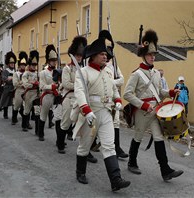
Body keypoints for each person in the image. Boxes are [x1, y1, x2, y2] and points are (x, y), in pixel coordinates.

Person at [123, 29, 183, 181]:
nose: (152, 57)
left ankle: (165, 170)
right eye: (150, 54)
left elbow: (159, 91)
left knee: (159, 138)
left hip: (155, 109)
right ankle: (132, 161)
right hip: (142, 111)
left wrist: (170, 92)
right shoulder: (136, 74)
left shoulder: (156, 73)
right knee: (138, 137)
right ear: (144, 55)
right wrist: (143, 105)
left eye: (154, 55)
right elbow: (127, 94)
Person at [73, 37, 130, 191]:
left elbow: (113, 90)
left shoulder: (108, 72)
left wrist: (118, 100)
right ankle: (80, 172)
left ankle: (115, 180)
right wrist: (86, 110)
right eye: (102, 54)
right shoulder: (83, 72)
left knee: (109, 146)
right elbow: (79, 92)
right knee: (84, 146)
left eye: (106, 54)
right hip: (90, 112)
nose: (105, 56)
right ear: (93, 56)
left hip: (105, 112)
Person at [98, 30, 128, 158]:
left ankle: (117, 148)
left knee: (116, 122)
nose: (107, 57)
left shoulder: (114, 65)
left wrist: (111, 82)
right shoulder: (98, 65)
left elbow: (121, 80)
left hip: (112, 98)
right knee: (96, 124)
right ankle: (90, 145)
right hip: (99, 99)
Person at [38, 45, 59, 141]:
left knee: (58, 117)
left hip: (56, 96)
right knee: (43, 115)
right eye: (52, 60)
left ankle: (59, 139)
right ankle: (40, 133)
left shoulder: (58, 71)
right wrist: (52, 86)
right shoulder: (43, 73)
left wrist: (59, 86)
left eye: (55, 60)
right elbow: (42, 86)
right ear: (48, 61)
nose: (54, 62)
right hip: (47, 96)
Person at [22, 50, 40, 132]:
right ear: (29, 65)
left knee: (37, 111)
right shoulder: (26, 73)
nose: (34, 66)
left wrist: (39, 84)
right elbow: (25, 84)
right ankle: (24, 125)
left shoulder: (38, 73)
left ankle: (37, 129)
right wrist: (32, 84)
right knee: (27, 109)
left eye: (35, 65)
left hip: (36, 93)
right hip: (29, 93)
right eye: (33, 65)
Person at [12, 51, 28, 126]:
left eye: (24, 65)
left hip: (26, 91)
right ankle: (14, 118)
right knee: (17, 105)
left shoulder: (27, 73)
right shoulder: (16, 74)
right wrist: (22, 83)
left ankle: (25, 123)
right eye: (22, 65)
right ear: (19, 66)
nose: (23, 66)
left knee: (26, 107)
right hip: (19, 90)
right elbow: (15, 83)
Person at [0, 51, 16, 119]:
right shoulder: (5, 71)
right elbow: (4, 78)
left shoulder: (15, 71)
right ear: (8, 64)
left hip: (14, 87)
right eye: (11, 63)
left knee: (14, 102)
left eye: (13, 63)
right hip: (7, 88)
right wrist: (9, 79)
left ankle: (14, 115)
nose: (12, 64)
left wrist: (11, 78)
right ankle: (5, 114)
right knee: (6, 101)